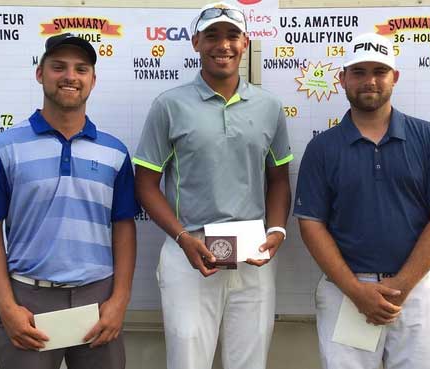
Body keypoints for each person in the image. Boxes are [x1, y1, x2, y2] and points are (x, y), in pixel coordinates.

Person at [132, 2, 293, 369]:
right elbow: (145, 184)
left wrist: (278, 229)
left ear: (246, 43)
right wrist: (181, 238)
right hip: (190, 248)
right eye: (212, 36)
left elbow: (279, 178)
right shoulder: (169, 105)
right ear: (195, 43)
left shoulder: (269, 106)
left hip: (253, 253)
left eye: (232, 36)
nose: (223, 45)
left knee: (249, 363)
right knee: (188, 361)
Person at [0, 33, 140, 369]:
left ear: (93, 79)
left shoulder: (114, 152)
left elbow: (124, 228)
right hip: (28, 302)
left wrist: (120, 300)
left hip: (97, 299)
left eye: (81, 69)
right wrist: (6, 306)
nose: (70, 77)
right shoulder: (5, 147)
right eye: (58, 67)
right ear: (40, 74)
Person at [294, 32, 430, 369]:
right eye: (358, 72)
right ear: (342, 79)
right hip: (347, 293)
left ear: (394, 77)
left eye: (379, 71)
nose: (369, 81)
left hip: (418, 291)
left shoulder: (429, 138)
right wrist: (357, 292)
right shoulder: (322, 148)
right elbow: (311, 224)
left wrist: (399, 286)